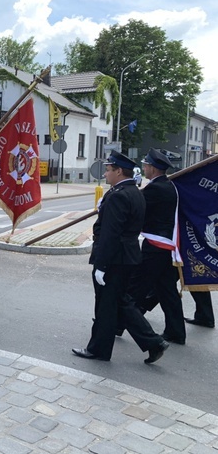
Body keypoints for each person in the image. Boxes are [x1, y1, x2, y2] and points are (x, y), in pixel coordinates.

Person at [72, 151, 169, 364]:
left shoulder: (118, 195)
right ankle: (153, 343)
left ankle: (98, 350)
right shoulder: (134, 192)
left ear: (118, 171)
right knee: (121, 302)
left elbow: (110, 233)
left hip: (114, 258)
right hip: (129, 256)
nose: (105, 173)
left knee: (106, 305)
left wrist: (102, 265)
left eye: (108, 170)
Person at [126, 148, 186, 344]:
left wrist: (114, 200)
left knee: (135, 286)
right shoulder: (167, 186)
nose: (143, 167)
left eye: (146, 165)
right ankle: (176, 332)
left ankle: (119, 322)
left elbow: (136, 207)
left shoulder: (156, 189)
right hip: (167, 246)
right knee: (166, 290)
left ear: (153, 168)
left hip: (156, 246)